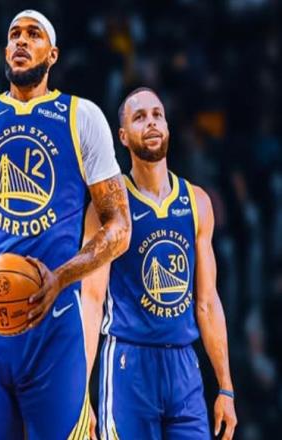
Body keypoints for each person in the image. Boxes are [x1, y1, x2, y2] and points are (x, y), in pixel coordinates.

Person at [0, 9, 131, 440]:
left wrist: (61, 277)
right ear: (6, 51)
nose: (21, 41)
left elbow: (120, 228)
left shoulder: (83, 117)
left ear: (52, 54)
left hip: (56, 328)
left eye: (33, 34)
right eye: (14, 34)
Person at [83, 87, 237, 439]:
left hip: (184, 366)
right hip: (128, 364)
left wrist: (226, 386)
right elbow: (91, 300)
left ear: (167, 127)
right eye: (139, 117)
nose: (151, 122)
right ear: (123, 136)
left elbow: (207, 302)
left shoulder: (197, 202)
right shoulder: (108, 206)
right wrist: (80, 391)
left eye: (157, 115)